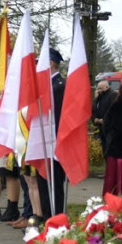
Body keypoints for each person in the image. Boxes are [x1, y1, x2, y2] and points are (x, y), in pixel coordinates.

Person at [37, 48, 67, 217]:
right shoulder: (47, 85)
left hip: (54, 141)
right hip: (43, 141)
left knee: (54, 182)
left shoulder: (59, 86)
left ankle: (55, 217)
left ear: (50, 63)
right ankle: (45, 216)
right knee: (43, 180)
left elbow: (58, 116)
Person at [92, 80, 116, 158]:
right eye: (98, 88)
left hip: (109, 126)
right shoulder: (99, 96)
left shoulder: (112, 94)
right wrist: (94, 118)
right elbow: (94, 109)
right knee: (103, 146)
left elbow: (112, 109)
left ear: (106, 87)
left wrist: (104, 119)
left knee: (108, 148)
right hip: (100, 126)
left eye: (100, 88)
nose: (99, 90)